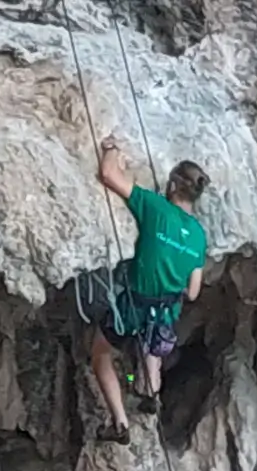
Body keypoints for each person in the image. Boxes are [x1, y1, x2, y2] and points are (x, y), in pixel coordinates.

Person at [83, 136, 210, 444]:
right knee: (154, 341)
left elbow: (109, 175)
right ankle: (151, 396)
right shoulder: (197, 236)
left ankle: (120, 423)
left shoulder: (155, 208)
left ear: (171, 186)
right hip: (166, 310)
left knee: (100, 354)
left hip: (134, 304)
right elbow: (192, 293)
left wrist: (111, 148)